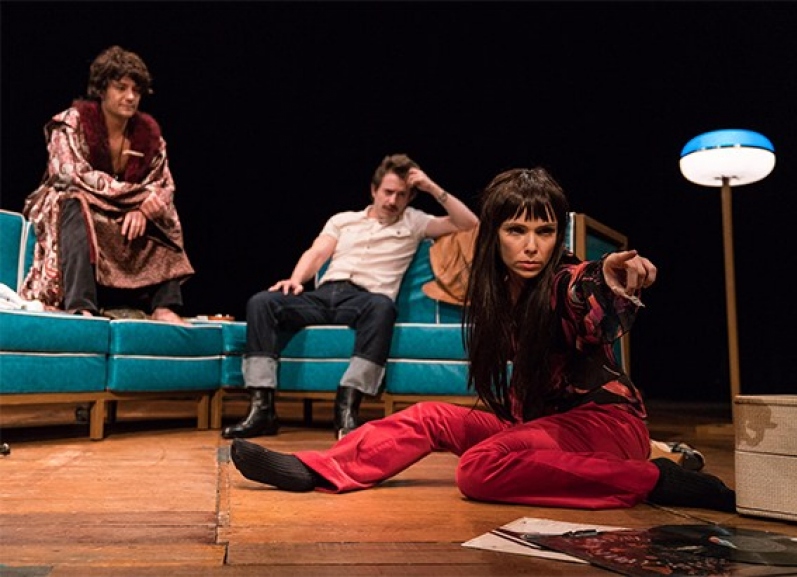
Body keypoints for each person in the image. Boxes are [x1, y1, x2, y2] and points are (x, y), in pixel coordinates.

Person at [228, 167, 736, 513]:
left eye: (545, 231)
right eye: (516, 230)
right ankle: (317, 470)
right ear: (495, 236)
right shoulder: (497, 294)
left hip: (603, 425)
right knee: (430, 416)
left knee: (480, 469)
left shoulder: (561, 281)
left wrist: (608, 277)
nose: (532, 246)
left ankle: (656, 479)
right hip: (536, 422)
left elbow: (583, 293)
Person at [221, 153, 480, 440]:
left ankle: (347, 407)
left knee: (383, 307)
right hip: (324, 296)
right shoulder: (343, 220)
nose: (393, 200)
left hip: (367, 300)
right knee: (262, 302)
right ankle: (262, 410)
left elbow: (469, 223)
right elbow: (317, 252)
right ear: (374, 190)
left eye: (401, 195)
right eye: (388, 192)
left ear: (410, 198)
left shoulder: (415, 222)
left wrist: (431, 187)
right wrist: (295, 280)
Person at [20, 45, 194, 324]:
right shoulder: (72, 123)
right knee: (73, 202)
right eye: (121, 88)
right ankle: (81, 304)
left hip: (123, 211)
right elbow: (69, 174)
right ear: (102, 90)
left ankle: (165, 305)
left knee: (163, 213)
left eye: (136, 90)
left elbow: (163, 185)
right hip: (79, 200)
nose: (130, 97)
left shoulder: (149, 136)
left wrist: (143, 209)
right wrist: (137, 199)